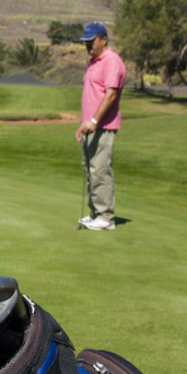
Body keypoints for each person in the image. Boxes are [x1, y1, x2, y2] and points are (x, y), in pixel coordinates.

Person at [75, 22, 125, 231]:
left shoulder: (111, 61)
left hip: (102, 127)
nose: (88, 46)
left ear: (103, 39)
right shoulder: (94, 62)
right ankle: (95, 212)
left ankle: (106, 217)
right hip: (91, 126)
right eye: (86, 42)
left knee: (101, 171)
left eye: (91, 41)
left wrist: (94, 121)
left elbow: (111, 94)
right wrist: (84, 124)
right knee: (91, 170)